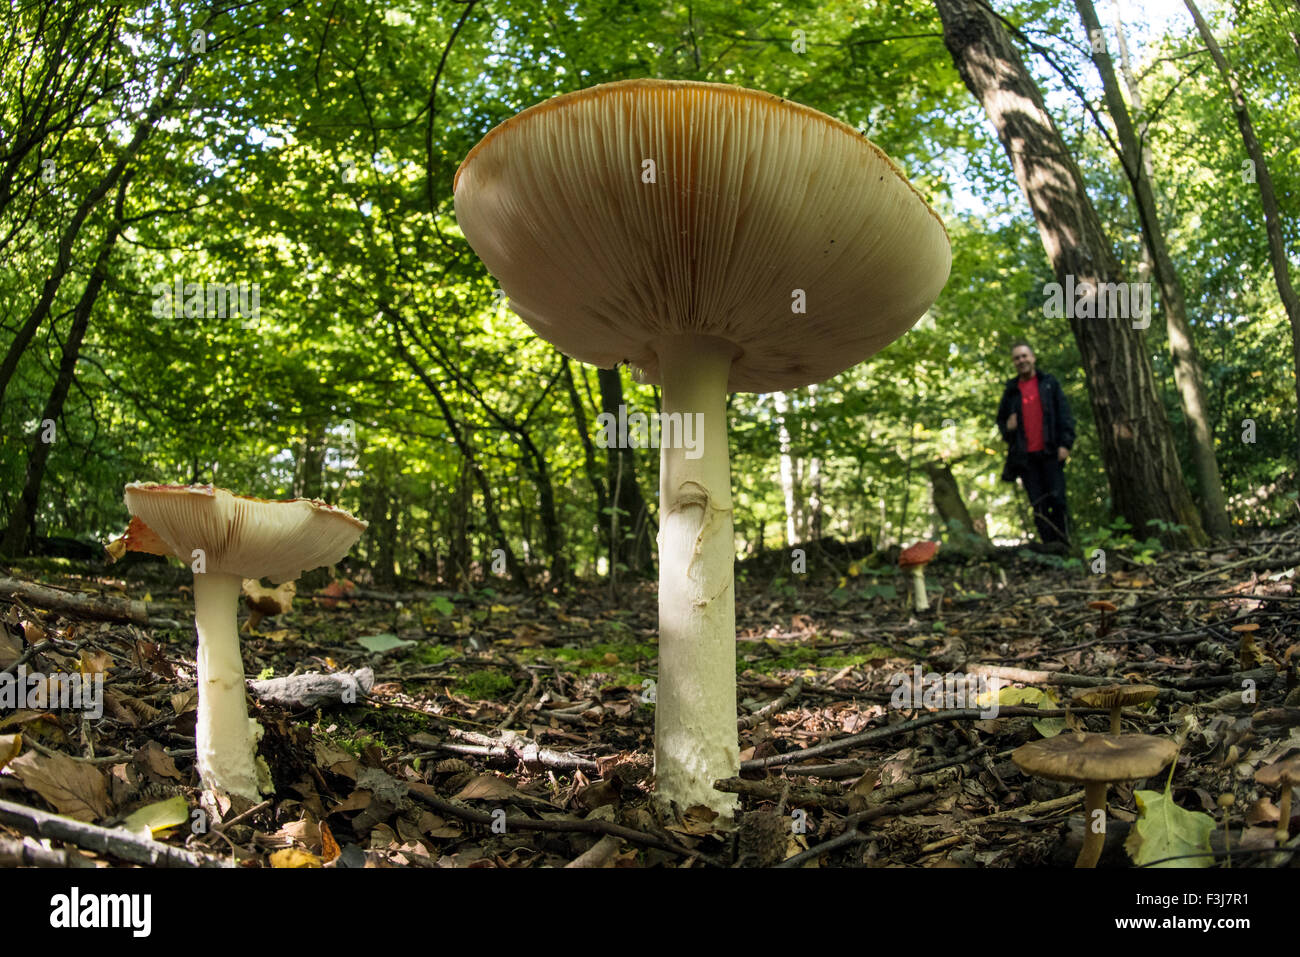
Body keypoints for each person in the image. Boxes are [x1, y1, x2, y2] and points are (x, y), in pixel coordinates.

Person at [996, 341, 1075, 547]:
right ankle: (1049, 547)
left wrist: (1066, 444)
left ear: (1033, 358)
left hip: (1051, 452)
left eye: (1024, 356)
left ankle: (1065, 545)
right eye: (1017, 358)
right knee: (1038, 504)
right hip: (1025, 458)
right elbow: (1001, 422)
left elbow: (1064, 414)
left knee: (1057, 499)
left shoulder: (1049, 383)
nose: (1021, 361)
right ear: (1014, 362)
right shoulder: (1011, 390)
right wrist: (1008, 427)